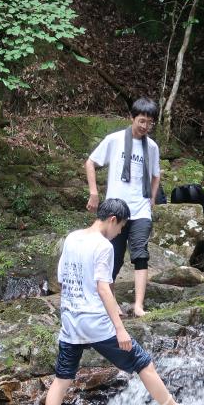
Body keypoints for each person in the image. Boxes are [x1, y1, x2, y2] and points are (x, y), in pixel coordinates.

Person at [42, 198, 204, 405]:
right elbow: (102, 288)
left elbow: (63, 279)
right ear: (112, 220)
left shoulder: (72, 238)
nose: (119, 233)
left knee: (62, 378)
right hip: (96, 323)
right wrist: (120, 328)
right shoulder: (103, 246)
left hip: (71, 320)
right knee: (144, 363)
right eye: (120, 228)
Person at [85, 97, 161, 316]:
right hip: (116, 211)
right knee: (113, 257)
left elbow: (156, 175)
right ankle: (112, 304)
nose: (145, 126)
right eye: (141, 121)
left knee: (140, 254)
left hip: (141, 209)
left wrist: (152, 199)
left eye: (149, 122)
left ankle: (138, 305)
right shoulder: (115, 139)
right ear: (132, 118)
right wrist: (94, 192)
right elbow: (91, 162)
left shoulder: (152, 147)